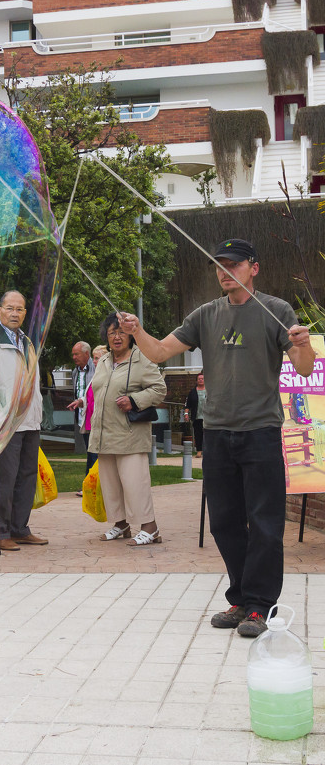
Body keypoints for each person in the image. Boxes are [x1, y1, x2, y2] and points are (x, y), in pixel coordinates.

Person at [118, 238, 315, 636]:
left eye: (233, 265)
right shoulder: (205, 315)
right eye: (219, 266)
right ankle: (241, 599)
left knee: (264, 523)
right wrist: (137, 331)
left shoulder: (275, 310)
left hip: (260, 432)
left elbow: (305, 368)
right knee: (224, 522)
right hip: (218, 434)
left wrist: (303, 344)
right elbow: (158, 353)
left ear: (253, 268)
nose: (224, 273)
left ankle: (260, 607)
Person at [0, 290, 48, 551]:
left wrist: (37, 413)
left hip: (30, 421)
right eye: (9, 308)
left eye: (19, 309)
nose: (14, 313)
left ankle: (20, 528)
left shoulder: (27, 342)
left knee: (26, 477)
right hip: (7, 422)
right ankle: (1, 532)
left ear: (25, 313)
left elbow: (33, 382)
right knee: (5, 478)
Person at [88, 312, 167, 546]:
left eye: (121, 331)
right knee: (111, 485)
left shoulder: (142, 359)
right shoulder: (103, 361)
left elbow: (159, 390)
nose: (117, 337)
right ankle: (120, 524)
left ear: (131, 335)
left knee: (135, 484)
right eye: (112, 332)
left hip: (129, 435)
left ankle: (150, 528)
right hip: (104, 434)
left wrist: (134, 400)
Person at [69, 345, 107, 479]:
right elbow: (90, 396)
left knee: (95, 455)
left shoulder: (104, 375)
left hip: (99, 422)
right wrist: (80, 402)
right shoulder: (80, 373)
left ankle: (92, 484)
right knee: (91, 454)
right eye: (95, 358)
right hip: (87, 420)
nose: (94, 361)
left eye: (97, 358)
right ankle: (89, 484)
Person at [68, 341, 95, 495]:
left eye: (76, 354)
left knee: (94, 453)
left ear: (86, 354)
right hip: (82, 418)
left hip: (94, 416)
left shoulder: (97, 369)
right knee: (90, 451)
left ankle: (89, 485)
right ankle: (90, 485)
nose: (74, 357)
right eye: (73, 354)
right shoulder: (75, 372)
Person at [184, 372, 206, 457]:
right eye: (199, 379)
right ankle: (199, 451)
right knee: (198, 434)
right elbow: (188, 404)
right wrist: (186, 414)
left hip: (208, 417)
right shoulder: (192, 392)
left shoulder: (209, 391)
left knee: (208, 434)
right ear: (196, 381)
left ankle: (208, 451)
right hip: (197, 417)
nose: (201, 380)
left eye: (202, 378)